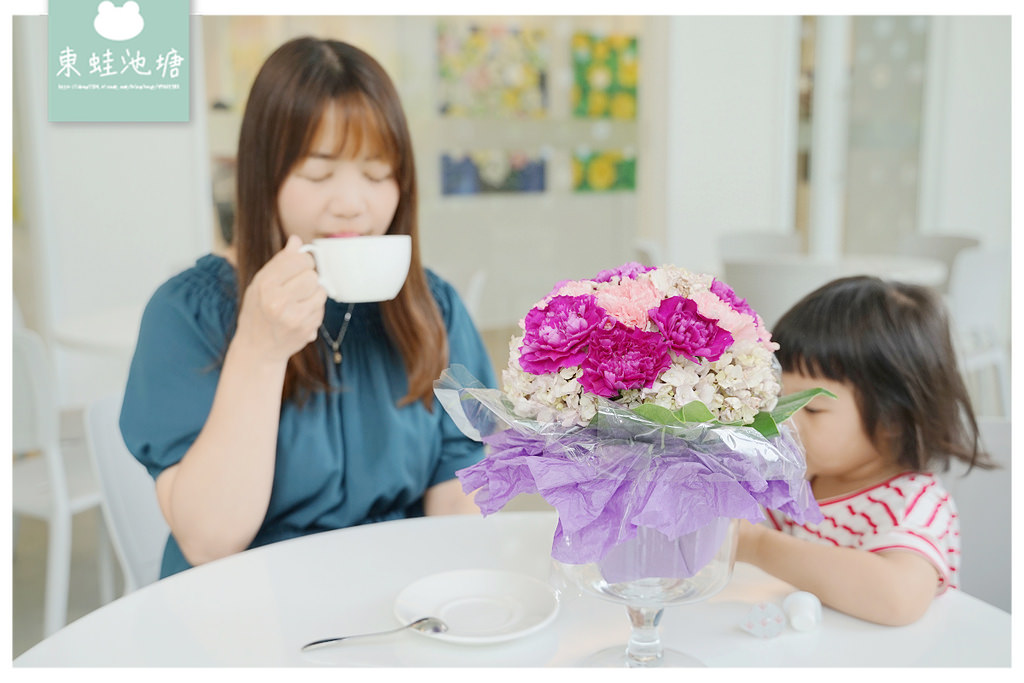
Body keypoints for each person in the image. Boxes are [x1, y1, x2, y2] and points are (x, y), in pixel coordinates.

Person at [120, 37, 497, 579]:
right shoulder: (188, 313)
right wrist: (259, 349)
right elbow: (209, 541)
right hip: (245, 611)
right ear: (263, 175)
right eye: (319, 174)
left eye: (376, 174)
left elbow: (458, 487)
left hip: (397, 605)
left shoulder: (430, 306)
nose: (352, 203)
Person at [736, 275, 992, 626]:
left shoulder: (916, 504)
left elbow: (897, 599)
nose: (786, 421)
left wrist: (756, 546)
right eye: (780, 398)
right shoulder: (803, 480)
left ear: (893, 420)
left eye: (812, 409)